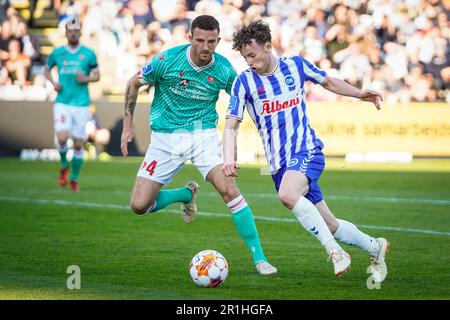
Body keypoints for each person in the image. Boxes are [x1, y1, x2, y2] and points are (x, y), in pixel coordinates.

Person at [222, 19, 389, 282]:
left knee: (287, 195)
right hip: (280, 165)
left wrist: (359, 94)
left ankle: (335, 253)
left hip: (307, 150)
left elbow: (328, 81)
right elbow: (231, 123)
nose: (249, 62)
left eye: (252, 55)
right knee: (330, 225)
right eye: (245, 58)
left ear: (268, 46)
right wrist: (228, 158)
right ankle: (375, 246)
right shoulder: (244, 83)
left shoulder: (295, 66)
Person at [120, 15, 277, 275]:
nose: (206, 47)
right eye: (201, 40)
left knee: (229, 188)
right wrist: (128, 124)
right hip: (165, 138)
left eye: (212, 41)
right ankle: (185, 194)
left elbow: (244, 101)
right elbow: (133, 83)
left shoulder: (224, 69)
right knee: (139, 206)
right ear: (190, 38)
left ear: (218, 40)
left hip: (202, 135)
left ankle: (260, 258)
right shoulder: (166, 61)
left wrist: (252, 134)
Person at [44, 16, 100, 191]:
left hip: (82, 104)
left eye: (76, 31)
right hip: (63, 101)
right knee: (61, 137)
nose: (73, 34)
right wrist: (53, 83)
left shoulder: (89, 54)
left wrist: (87, 78)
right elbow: (46, 68)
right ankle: (63, 165)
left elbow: (97, 75)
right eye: (70, 31)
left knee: (78, 143)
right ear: (66, 33)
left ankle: (74, 177)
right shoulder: (58, 53)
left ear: (80, 33)